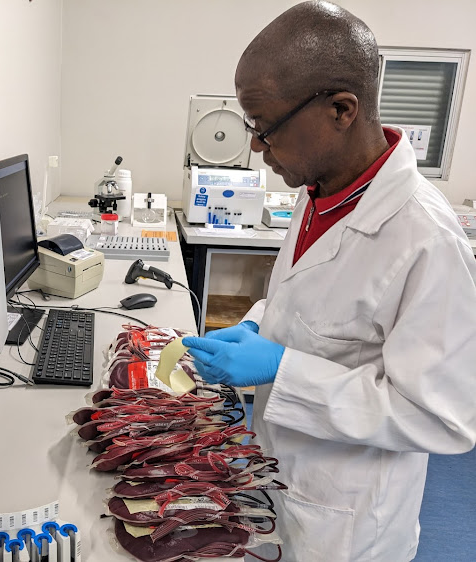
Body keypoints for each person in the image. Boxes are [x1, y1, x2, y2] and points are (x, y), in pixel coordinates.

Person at [181, 2, 476, 561]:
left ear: (342, 110)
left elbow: (441, 419)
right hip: (277, 472)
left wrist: (279, 368)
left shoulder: (426, 240)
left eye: (265, 130)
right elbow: (308, 304)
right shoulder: (320, 189)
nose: (255, 148)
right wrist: (252, 325)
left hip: (349, 521)